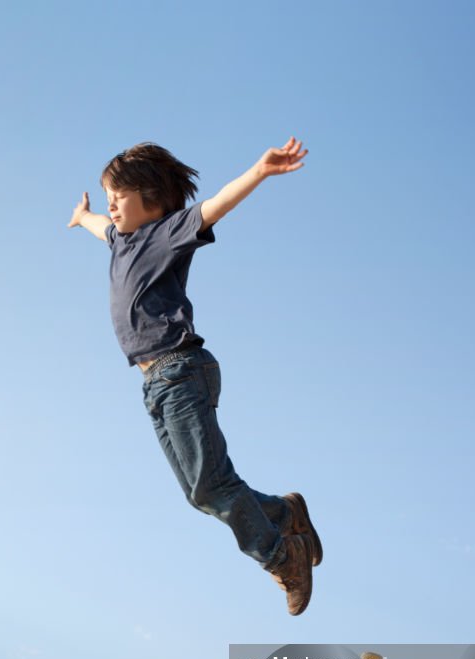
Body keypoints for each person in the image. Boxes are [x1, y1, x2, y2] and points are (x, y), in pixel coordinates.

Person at [67, 138, 321, 615]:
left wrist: (260, 171)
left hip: (180, 370)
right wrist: (83, 218)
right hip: (155, 382)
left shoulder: (166, 232)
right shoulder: (121, 239)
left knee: (212, 486)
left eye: (117, 199)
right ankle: (286, 514)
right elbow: (101, 226)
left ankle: (283, 557)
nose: (111, 209)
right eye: (108, 201)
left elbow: (215, 206)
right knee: (199, 492)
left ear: (152, 201)